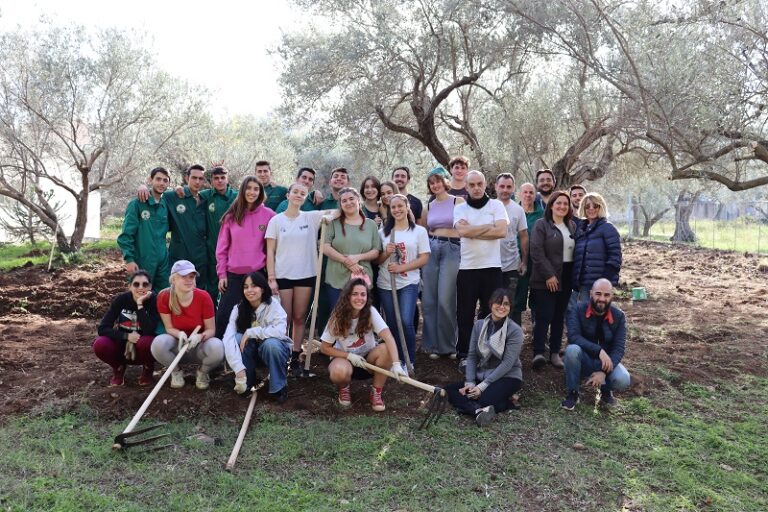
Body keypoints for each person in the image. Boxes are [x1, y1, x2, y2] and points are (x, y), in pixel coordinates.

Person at [266, 182, 334, 376]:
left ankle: (295, 358)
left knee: (299, 317)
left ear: (306, 197)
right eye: (295, 192)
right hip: (283, 275)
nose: (298, 195)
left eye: (302, 193)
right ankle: (281, 356)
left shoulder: (311, 217)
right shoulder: (276, 221)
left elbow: (339, 211)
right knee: (284, 318)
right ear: (288, 195)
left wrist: (329, 217)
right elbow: (270, 251)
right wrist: (271, 277)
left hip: (305, 274)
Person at [319, 278, 406, 411]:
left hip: (369, 362)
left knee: (386, 349)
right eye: (355, 294)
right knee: (338, 372)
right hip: (345, 361)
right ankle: (344, 388)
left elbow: (388, 337)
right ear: (347, 296)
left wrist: (396, 364)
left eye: (363, 294)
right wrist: (349, 356)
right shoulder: (337, 316)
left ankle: (376, 392)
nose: (359, 298)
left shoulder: (370, 312)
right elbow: (324, 348)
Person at [454, 171, 509, 367]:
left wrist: (473, 231)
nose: (476, 188)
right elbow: (461, 232)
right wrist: (488, 227)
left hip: (492, 268)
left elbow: (501, 231)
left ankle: (488, 353)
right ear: (466, 187)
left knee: (491, 312)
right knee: (464, 314)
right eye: (472, 185)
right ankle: (464, 355)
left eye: (479, 184)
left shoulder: (496, 205)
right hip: (467, 269)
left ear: (486, 184)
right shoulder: (460, 207)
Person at [445, 288, 524, 426]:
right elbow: (472, 356)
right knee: (448, 390)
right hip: (483, 374)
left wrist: (481, 387)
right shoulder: (479, 325)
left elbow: (507, 363)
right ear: (490, 304)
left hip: (508, 376)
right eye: (498, 302)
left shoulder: (515, 331)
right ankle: (479, 410)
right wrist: (470, 382)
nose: (501, 307)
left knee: (480, 398)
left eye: (506, 304)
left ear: (510, 307)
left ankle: (500, 403)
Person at [214, 176, 275, 339]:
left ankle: (255, 354)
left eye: (256, 189)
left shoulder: (269, 215)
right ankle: (218, 354)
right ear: (242, 191)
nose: (252, 192)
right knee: (224, 316)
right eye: (249, 188)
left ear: (261, 192)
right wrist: (222, 274)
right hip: (234, 275)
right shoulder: (231, 216)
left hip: (258, 275)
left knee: (258, 317)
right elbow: (221, 249)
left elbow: (274, 246)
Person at [376, 194, 430, 371]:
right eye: (393, 207)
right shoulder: (383, 233)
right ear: (390, 211)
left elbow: (424, 258)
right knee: (392, 322)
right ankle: (396, 360)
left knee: (406, 321)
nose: (397, 210)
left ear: (407, 207)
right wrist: (385, 252)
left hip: (409, 283)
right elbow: (377, 261)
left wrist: (401, 268)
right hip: (385, 284)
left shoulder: (419, 232)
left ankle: (409, 361)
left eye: (401, 206)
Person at [151, 260, 224, 390]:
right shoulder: (164, 296)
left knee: (217, 348)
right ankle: (176, 371)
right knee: (157, 344)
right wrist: (179, 334)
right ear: (173, 279)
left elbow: (211, 330)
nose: (189, 280)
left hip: (199, 347)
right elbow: (168, 328)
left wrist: (200, 337)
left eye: (191, 276)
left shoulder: (204, 297)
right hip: (177, 345)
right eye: (183, 276)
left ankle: (202, 372)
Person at [561, 278, 631, 410]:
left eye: (606, 295)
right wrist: (599, 351)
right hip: (583, 360)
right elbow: (573, 336)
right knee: (572, 350)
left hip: (606, 363)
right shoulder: (577, 309)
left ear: (612, 296)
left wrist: (603, 372)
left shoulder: (619, 316)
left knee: (623, 379)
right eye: (598, 294)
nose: (602, 299)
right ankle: (573, 393)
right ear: (590, 293)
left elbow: (619, 348)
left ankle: (606, 391)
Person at [222, 272, 292, 401]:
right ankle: (247, 379)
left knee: (272, 344)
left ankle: (278, 387)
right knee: (236, 339)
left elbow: (280, 331)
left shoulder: (273, 305)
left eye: (254, 286)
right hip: (251, 354)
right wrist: (238, 369)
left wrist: (250, 332)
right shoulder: (238, 309)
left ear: (263, 288)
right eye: (246, 287)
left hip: (272, 352)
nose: (249, 290)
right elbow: (228, 337)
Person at [529, 191, 577, 370]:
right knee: (544, 316)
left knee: (559, 316)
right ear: (551, 206)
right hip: (545, 278)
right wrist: (549, 275)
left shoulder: (571, 225)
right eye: (558, 203)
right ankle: (538, 353)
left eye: (566, 204)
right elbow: (536, 250)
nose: (562, 206)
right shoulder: (542, 225)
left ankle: (555, 353)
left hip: (566, 277)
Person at [421, 167, 464, 358]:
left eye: (438, 181)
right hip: (431, 249)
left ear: (445, 182)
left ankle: (448, 345)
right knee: (429, 299)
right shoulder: (428, 206)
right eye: (431, 183)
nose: (435, 185)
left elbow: (465, 228)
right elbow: (422, 231)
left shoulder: (458, 201)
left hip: (452, 249)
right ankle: (432, 345)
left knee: (446, 298)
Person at [93, 270, 160, 387]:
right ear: (129, 286)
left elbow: (149, 330)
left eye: (145, 284)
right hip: (122, 348)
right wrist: (126, 336)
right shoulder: (121, 300)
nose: (140, 287)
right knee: (100, 344)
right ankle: (118, 367)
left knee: (148, 342)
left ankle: (148, 368)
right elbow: (103, 328)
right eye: (136, 284)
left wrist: (140, 305)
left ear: (150, 286)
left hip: (143, 349)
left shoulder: (154, 301)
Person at [322, 187, 382, 309]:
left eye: (351, 199)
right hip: (336, 278)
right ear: (340, 204)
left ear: (358, 200)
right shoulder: (333, 223)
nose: (348, 203)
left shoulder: (371, 225)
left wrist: (357, 257)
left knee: (361, 319)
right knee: (339, 318)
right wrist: (347, 262)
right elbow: (325, 246)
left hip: (362, 277)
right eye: (344, 201)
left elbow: (376, 251)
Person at [163, 165, 212, 301]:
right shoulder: (174, 196)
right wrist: (143, 188)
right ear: (186, 178)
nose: (197, 182)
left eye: (200, 179)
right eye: (194, 178)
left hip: (201, 257)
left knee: (198, 292)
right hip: (180, 255)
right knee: (177, 292)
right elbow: (156, 193)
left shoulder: (206, 198)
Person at [117, 167, 170, 290]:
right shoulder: (137, 204)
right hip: (142, 260)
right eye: (158, 179)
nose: (161, 183)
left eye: (165, 180)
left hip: (163, 261)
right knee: (140, 295)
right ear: (150, 180)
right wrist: (129, 259)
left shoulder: (166, 204)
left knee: (163, 295)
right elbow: (126, 235)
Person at [571, 193, 622, 307]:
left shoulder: (608, 228)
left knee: (600, 318)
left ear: (601, 207)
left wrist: (603, 282)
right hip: (584, 284)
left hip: (600, 286)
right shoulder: (580, 229)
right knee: (586, 317)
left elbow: (615, 257)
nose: (591, 209)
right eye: (587, 206)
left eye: (595, 206)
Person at [495, 173, 528, 322]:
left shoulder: (518, 210)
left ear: (513, 188)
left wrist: (524, 261)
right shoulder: (489, 207)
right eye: (502, 186)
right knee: (493, 302)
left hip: (512, 265)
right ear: (496, 187)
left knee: (510, 303)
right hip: (491, 264)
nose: (505, 190)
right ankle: (491, 338)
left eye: (509, 187)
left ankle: (512, 340)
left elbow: (523, 236)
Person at [201, 166, 238, 299]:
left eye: (223, 178)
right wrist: (179, 188)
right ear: (211, 181)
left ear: (227, 179)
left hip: (234, 250)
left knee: (232, 286)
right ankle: (212, 317)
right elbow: (190, 193)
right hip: (213, 249)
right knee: (212, 285)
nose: (220, 181)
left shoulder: (237, 197)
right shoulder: (207, 195)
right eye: (216, 178)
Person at [512, 182, 545, 324]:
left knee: (538, 298)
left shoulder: (543, 214)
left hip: (538, 262)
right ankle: (515, 332)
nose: (528, 195)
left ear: (535, 195)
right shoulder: (513, 211)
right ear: (519, 193)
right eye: (525, 192)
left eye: (531, 192)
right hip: (518, 261)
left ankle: (537, 333)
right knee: (517, 297)